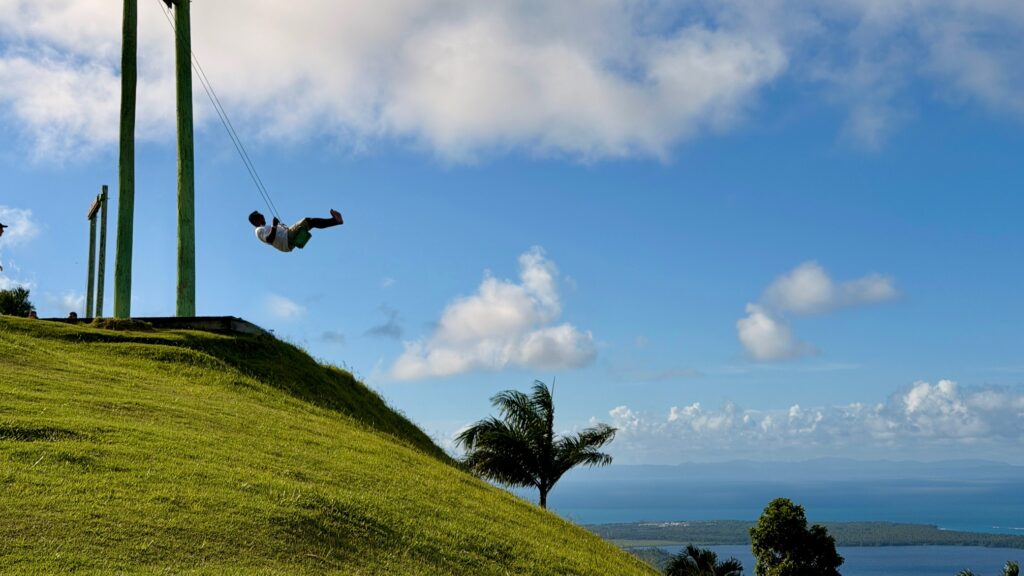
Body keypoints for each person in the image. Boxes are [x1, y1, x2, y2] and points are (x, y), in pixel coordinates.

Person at [248, 209, 343, 253]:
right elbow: (269, 239)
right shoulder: (258, 230)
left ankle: (335, 221)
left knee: (311, 223)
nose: (263, 216)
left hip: (287, 241)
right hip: (287, 239)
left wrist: (278, 227)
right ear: (256, 221)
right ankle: (335, 221)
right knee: (309, 221)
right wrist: (275, 226)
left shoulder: (263, 228)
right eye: (261, 216)